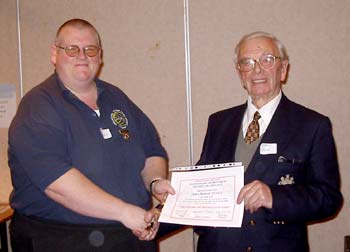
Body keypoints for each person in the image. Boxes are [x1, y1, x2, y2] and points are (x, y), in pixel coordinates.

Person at [8, 18, 174, 252]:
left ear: (100, 56)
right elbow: (57, 183)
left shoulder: (116, 97)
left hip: (130, 235)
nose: (82, 56)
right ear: (54, 54)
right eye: (72, 49)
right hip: (62, 240)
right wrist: (123, 212)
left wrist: (154, 182)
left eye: (90, 49)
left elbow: (151, 149)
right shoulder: (37, 108)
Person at [194, 31, 343, 252]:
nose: (257, 69)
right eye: (247, 62)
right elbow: (202, 182)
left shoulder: (313, 125)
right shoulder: (218, 122)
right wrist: (168, 203)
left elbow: (328, 198)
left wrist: (275, 197)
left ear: (283, 70)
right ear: (240, 73)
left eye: (267, 60)